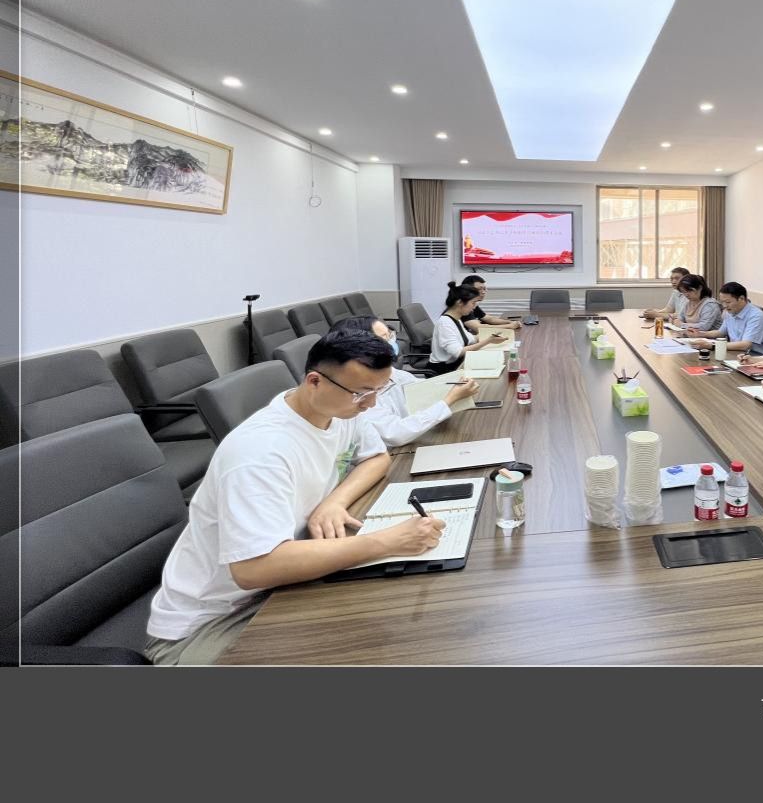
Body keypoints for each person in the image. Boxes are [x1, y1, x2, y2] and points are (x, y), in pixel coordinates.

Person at [144, 331, 447, 665]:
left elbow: (376, 458)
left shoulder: (339, 411)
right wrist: (387, 541)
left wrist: (334, 501)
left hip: (282, 583)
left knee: (402, 620)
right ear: (314, 381)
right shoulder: (259, 454)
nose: (371, 404)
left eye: (378, 391)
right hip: (212, 623)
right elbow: (253, 568)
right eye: (362, 393)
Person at [329, 315, 478, 446]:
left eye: (390, 335)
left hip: (410, 442)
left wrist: (452, 388)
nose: (391, 342)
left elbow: (423, 389)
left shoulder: (393, 373)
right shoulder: (355, 395)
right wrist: (449, 400)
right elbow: (395, 434)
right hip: (394, 454)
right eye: (383, 339)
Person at [685, 281, 763, 356]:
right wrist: (700, 334)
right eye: (722, 302)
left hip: (757, 357)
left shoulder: (756, 316)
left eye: (728, 302)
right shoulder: (730, 311)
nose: (724, 306)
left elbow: (745, 345)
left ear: (741, 298)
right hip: (736, 354)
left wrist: (711, 345)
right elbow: (721, 333)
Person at [431, 281, 504, 373]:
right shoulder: (445, 323)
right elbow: (458, 353)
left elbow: (470, 339)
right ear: (460, 302)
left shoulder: (456, 319)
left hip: (457, 364)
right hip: (443, 369)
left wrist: (490, 335)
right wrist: (488, 340)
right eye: (473, 303)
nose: (474, 307)